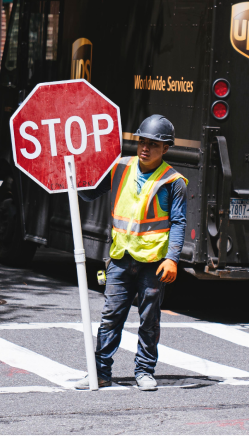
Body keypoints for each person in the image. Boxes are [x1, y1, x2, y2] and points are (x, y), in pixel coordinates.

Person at [75, 115, 187, 391]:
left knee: (149, 318)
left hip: (153, 263)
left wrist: (172, 258)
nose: (145, 148)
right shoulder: (121, 167)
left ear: (166, 148)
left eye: (153, 144)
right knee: (111, 315)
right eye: (142, 142)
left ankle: (145, 371)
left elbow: (179, 222)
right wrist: (76, 171)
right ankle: (100, 371)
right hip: (120, 257)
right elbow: (90, 193)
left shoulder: (174, 181)